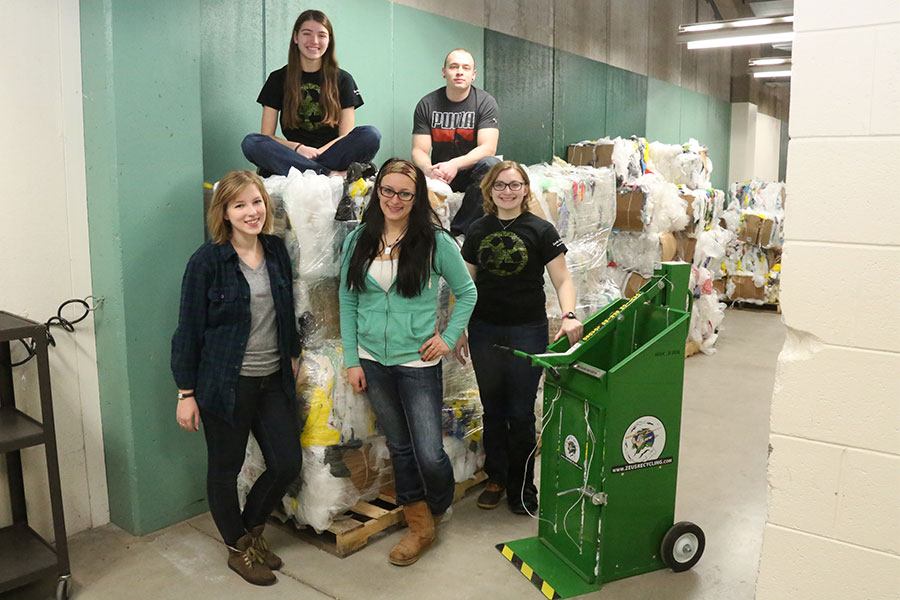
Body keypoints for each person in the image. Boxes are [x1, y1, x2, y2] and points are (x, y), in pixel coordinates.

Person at [338, 158, 477, 566]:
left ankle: (438, 502)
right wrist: (352, 359)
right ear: (377, 191)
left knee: (429, 451)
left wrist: (447, 338)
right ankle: (420, 525)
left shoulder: (434, 241)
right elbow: (348, 300)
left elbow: (467, 292)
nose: (393, 200)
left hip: (417, 362)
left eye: (404, 193)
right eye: (387, 190)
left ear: (416, 199)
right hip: (371, 360)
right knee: (399, 446)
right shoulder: (358, 240)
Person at [171, 170, 303, 586]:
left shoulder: (276, 250)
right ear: (224, 213)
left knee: (286, 464)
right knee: (224, 471)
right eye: (240, 205)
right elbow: (189, 329)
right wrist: (185, 392)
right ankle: (237, 548)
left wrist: (294, 354)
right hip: (225, 384)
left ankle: (249, 533)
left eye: (257, 202)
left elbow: (287, 309)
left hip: (273, 380)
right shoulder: (207, 261)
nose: (251, 212)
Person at [455, 160, 583, 515]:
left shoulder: (541, 230)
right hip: (484, 331)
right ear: (490, 191)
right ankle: (496, 478)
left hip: (527, 330)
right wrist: (459, 328)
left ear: (526, 190)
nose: (507, 192)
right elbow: (465, 285)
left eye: (515, 185)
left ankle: (523, 486)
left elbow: (562, 280)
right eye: (500, 185)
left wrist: (569, 314)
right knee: (493, 409)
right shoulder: (478, 230)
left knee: (521, 412)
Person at [242, 9, 380, 177]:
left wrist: (318, 152)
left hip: (332, 153)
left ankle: (310, 170)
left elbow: (346, 136)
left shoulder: (344, 79)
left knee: (371, 134)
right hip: (292, 154)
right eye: (307, 33)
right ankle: (328, 174)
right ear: (295, 38)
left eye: (322, 35)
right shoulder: (277, 78)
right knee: (251, 142)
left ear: (329, 41)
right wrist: (299, 149)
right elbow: (267, 136)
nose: (314, 41)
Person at [411, 48, 500, 236]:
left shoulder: (485, 102)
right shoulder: (427, 104)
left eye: (466, 68)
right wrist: (428, 169)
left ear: (473, 75)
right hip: (439, 173)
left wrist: (454, 164)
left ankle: (458, 234)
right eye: (454, 67)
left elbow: (488, 148)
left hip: (472, 173)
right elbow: (419, 150)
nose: (460, 72)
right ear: (444, 71)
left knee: (492, 165)